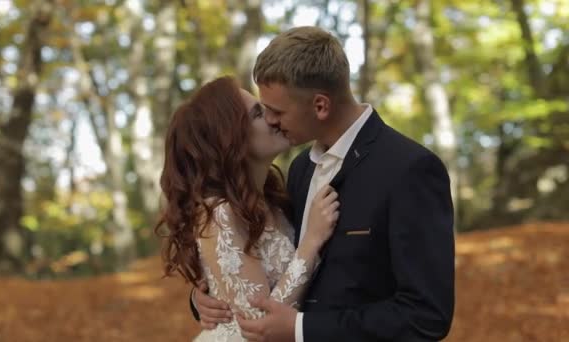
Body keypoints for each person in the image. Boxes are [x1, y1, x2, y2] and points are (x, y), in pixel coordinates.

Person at [192, 26, 455, 341]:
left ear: (320, 106)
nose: (270, 121)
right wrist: (203, 299)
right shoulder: (300, 170)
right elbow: (267, 264)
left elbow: (426, 315)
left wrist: (302, 330)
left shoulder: (408, 170)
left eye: (276, 111)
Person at [155, 76, 341, 341]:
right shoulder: (219, 213)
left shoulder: (274, 198)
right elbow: (261, 324)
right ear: (230, 139)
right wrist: (311, 243)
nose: (272, 117)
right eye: (257, 113)